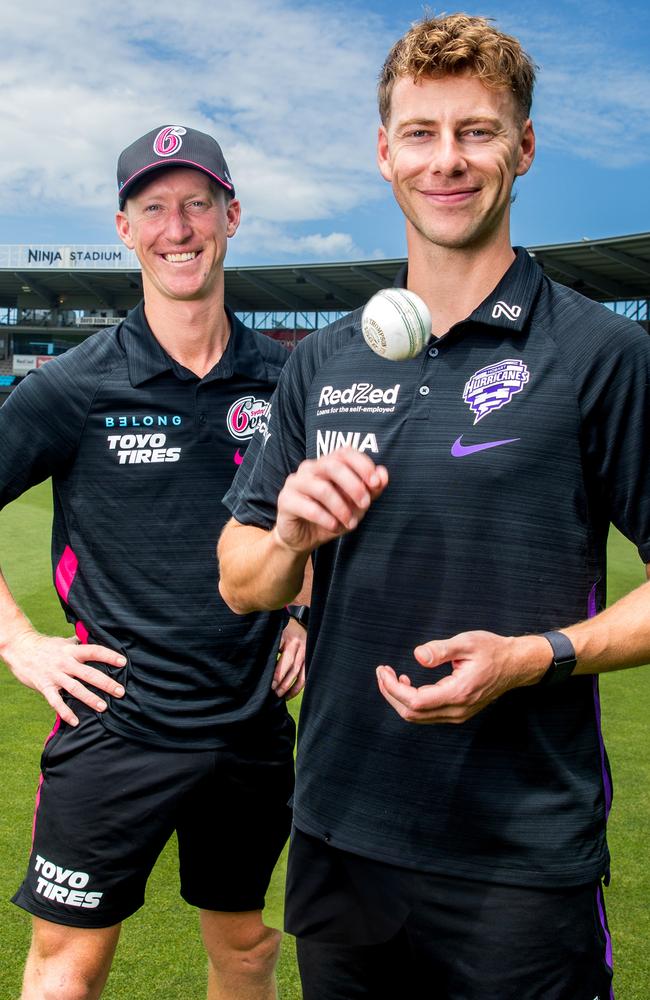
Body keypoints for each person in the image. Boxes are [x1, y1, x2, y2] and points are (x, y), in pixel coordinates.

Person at [217, 14, 650, 1000]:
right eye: (418, 132)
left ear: (523, 148)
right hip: (337, 835)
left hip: (516, 858)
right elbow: (241, 581)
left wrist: (532, 656)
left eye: (475, 131)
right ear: (382, 152)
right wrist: (287, 531)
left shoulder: (600, 356)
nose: (444, 161)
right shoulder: (321, 363)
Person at [0, 125, 307, 1000]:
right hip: (115, 729)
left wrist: (306, 613)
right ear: (126, 228)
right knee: (71, 962)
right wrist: (21, 643)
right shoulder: (72, 385)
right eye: (155, 208)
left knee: (246, 950)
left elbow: (323, 518)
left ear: (232, 216)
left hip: (250, 728)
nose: (179, 226)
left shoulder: (288, 381)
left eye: (197, 204)